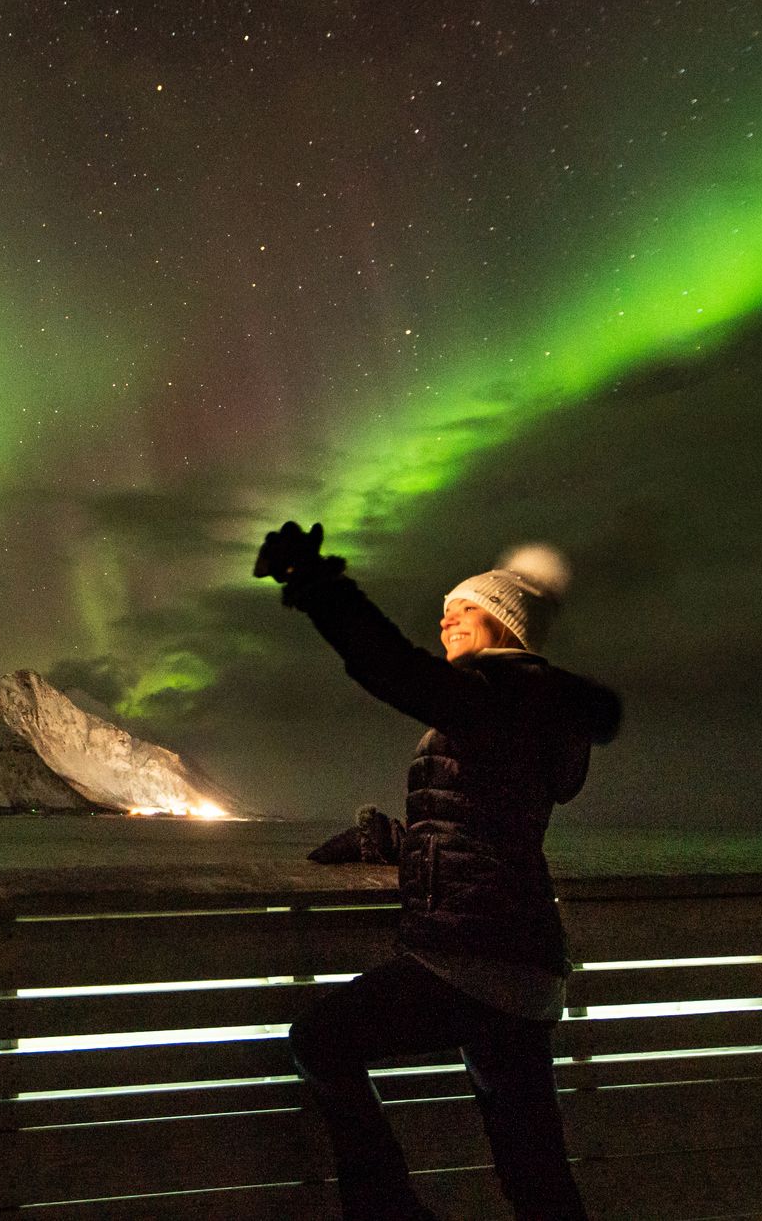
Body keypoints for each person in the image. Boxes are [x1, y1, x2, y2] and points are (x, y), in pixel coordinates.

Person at [254, 520, 621, 1221]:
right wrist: (393, 840)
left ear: (505, 625)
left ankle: (389, 1210)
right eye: (445, 604)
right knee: (533, 1174)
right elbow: (489, 822)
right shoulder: (520, 709)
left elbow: (387, 665)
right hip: (520, 963)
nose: (446, 614)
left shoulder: (495, 695)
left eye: (466, 606)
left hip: (471, 957)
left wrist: (317, 585)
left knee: (319, 1043)